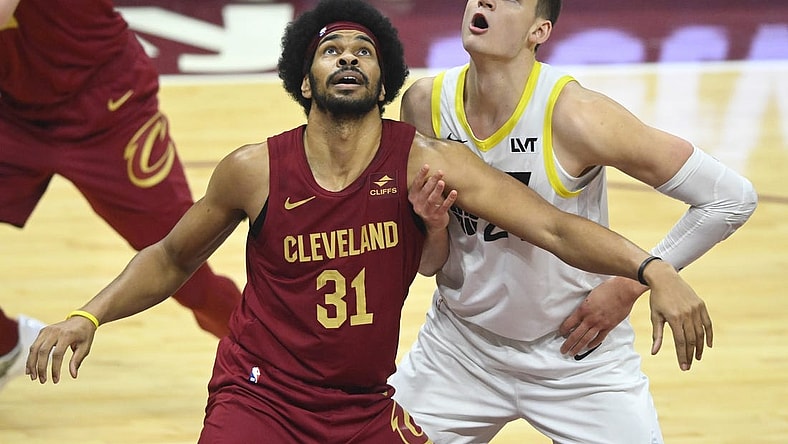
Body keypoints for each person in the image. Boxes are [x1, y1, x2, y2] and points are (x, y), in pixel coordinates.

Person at [26, 0, 709, 441]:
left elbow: (555, 227)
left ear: (385, 86)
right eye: (330, 50)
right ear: (304, 78)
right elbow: (172, 258)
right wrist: (85, 316)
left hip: (362, 408)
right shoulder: (254, 169)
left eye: (363, 51)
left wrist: (652, 270)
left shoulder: (424, 164)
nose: (347, 56)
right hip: (260, 399)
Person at [389, 0, 759, 443]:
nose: (484, 0)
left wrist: (629, 285)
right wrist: (430, 226)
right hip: (460, 349)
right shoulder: (423, 104)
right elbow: (431, 263)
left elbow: (730, 198)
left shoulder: (578, 114)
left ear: (538, 31)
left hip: (577, 354)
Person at [0, 0, 243, 392]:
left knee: (184, 265)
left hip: (108, 108)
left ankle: (296, 358)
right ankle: (5, 346)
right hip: (15, 112)